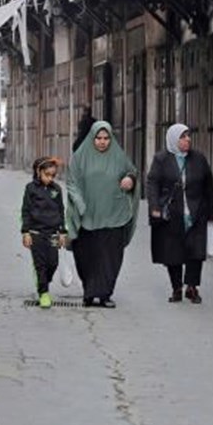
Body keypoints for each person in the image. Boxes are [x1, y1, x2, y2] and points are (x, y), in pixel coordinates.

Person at [66, 121, 138, 308]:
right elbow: (71, 182)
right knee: (86, 257)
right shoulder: (79, 157)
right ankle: (89, 293)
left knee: (110, 257)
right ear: (92, 138)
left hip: (113, 215)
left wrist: (129, 179)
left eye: (106, 138)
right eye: (98, 138)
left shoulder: (118, 156)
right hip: (86, 217)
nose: (102, 142)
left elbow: (131, 171)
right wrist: (80, 204)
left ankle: (105, 294)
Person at [146, 124, 213, 304]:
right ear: (173, 139)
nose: (188, 139)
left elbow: (208, 186)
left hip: (196, 213)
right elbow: (152, 183)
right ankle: (176, 287)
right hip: (172, 214)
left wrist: (211, 213)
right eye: (183, 136)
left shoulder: (198, 159)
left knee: (196, 252)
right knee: (173, 253)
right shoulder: (161, 159)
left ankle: (192, 287)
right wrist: (154, 206)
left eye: (188, 136)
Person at [21, 156, 66, 309]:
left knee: (53, 263)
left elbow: (61, 211)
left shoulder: (56, 189)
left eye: (53, 175)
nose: (50, 178)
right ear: (38, 171)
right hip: (36, 233)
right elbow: (25, 211)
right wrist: (25, 232)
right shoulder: (30, 189)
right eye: (47, 174)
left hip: (53, 233)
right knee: (40, 264)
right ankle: (44, 292)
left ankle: (44, 281)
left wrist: (62, 232)